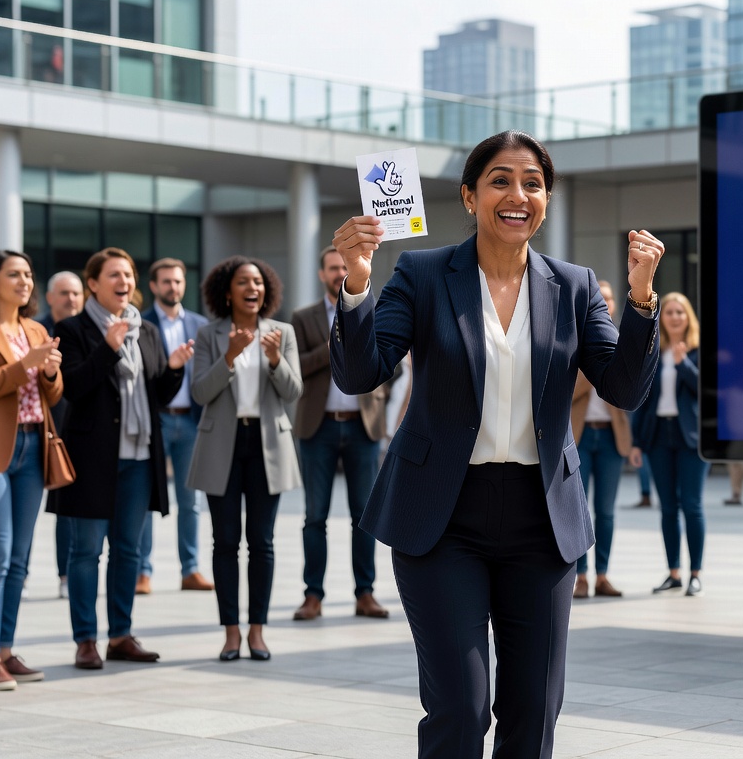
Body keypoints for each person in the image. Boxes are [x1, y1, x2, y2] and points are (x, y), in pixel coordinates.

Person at [329, 130, 662, 758]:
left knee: (533, 710)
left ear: (546, 199)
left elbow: (623, 388)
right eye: (501, 180)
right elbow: (360, 373)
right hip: (442, 516)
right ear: (468, 196)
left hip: (542, 519)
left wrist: (640, 298)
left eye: (532, 182)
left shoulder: (575, 284)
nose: (518, 194)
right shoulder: (423, 274)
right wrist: (355, 285)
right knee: (460, 706)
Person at [54, 247, 191, 670]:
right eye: (115, 275)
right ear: (93, 283)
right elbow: (73, 389)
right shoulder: (73, 329)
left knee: (128, 551)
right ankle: (85, 640)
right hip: (91, 457)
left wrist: (172, 369)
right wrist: (108, 348)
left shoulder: (145, 330)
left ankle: (120, 635)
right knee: (86, 551)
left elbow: (157, 397)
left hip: (138, 458)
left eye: (128, 275)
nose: (124, 282)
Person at [187, 257, 301, 661]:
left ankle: (257, 631)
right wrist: (230, 356)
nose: (252, 288)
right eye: (243, 282)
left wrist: (274, 360)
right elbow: (200, 392)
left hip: (267, 444)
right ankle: (231, 632)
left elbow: (293, 392)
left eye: (258, 282)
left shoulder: (281, 333)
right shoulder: (209, 334)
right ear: (227, 291)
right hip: (224, 445)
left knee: (262, 543)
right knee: (225, 542)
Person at [0, 251, 62, 691]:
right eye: (13, 274)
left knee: (19, 562)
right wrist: (24, 365)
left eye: (27, 274)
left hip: (32, 447)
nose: (24, 281)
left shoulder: (36, 329)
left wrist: (51, 374)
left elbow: (51, 395)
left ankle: (5, 650)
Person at [292, 246, 393, 621]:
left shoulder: (375, 309)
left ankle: (365, 593)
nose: (339, 273)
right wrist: (339, 335)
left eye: (343, 267)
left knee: (364, 515)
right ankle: (312, 595)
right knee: (314, 516)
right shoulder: (303, 318)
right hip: (317, 427)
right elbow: (298, 367)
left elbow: (389, 362)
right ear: (322, 274)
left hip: (362, 426)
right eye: (333, 268)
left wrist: (380, 392)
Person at [138, 258, 212, 594]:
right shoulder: (140, 324)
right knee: (145, 498)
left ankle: (190, 569)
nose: (173, 287)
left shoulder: (200, 325)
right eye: (166, 281)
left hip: (191, 420)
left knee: (190, 501)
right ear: (153, 286)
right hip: (155, 419)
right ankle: (142, 571)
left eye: (178, 281)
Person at [630, 292, 705, 596]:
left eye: (680, 312)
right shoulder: (654, 352)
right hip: (660, 435)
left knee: (692, 505)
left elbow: (706, 391)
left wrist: (683, 362)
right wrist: (637, 442)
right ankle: (673, 572)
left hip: (691, 439)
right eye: (670, 312)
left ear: (689, 317)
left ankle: (695, 574)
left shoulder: (699, 351)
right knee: (667, 508)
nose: (674, 317)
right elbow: (643, 400)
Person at [569, 279, 632, 599]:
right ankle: (580, 576)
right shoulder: (575, 340)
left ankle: (603, 575)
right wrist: (596, 370)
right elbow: (572, 391)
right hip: (579, 435)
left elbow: (630, 396)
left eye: (609, 299)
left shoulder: (621, 341)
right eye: (600, 299)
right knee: (577, 510)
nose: (605, 304)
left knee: (606, 512)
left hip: (610, 438)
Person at [38, 270, 83, 600]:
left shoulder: (87, 332)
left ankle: (66, 575)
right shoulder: (36, 330)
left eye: (76, 293)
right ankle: (19, 575)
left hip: (72, 431)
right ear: (50, 297)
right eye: (64, 293)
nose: (71, 299)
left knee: (66, 509)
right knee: (18, 511)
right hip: (33, 428)